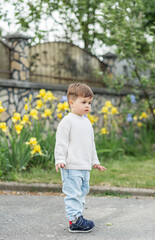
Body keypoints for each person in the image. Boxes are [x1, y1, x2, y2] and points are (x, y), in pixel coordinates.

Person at [54, 83, 106, 233]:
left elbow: (91, 145)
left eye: (89, 102)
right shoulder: (67, 121)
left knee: (82, 193)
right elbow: (61, 143)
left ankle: (79, 216)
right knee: (73, 194)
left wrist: (95, 162)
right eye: (83, 102)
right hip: (71, 167)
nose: (87, 106)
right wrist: (60, 159)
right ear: (71, 102)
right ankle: (74, 221)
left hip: (84, 167)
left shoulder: (87, 122)